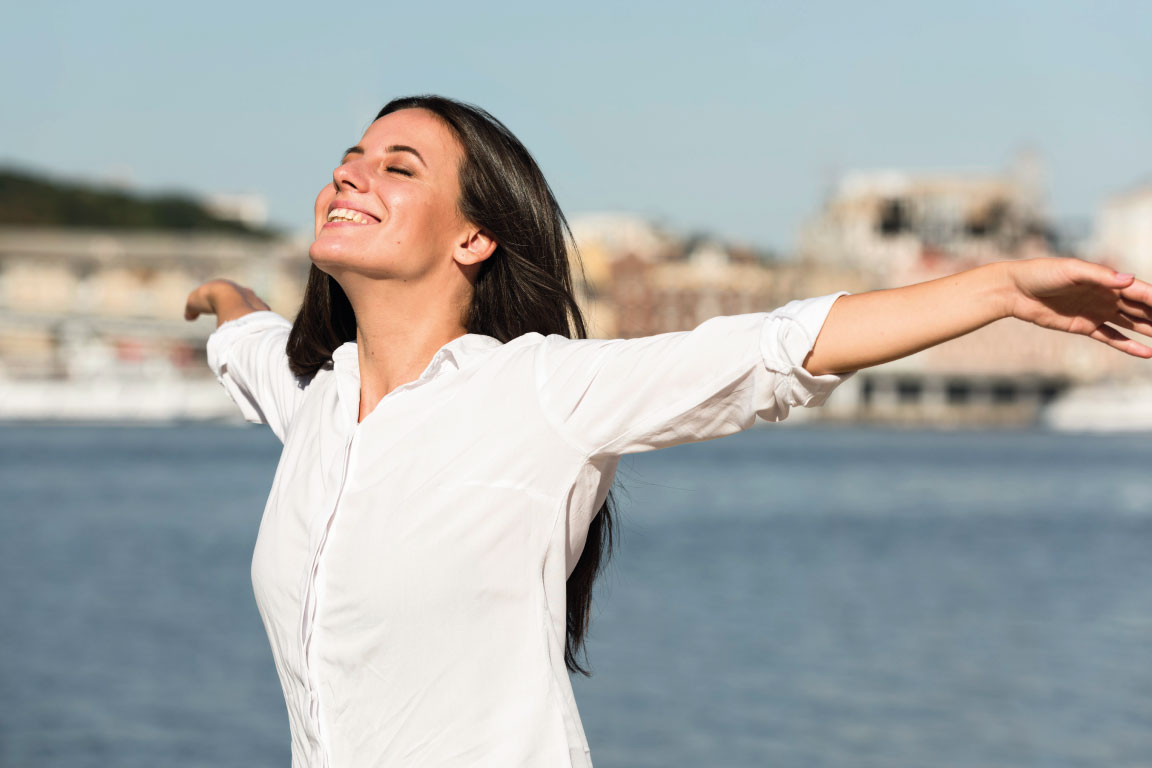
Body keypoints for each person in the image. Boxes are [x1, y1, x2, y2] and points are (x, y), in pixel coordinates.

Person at [183, 94, 1152, 768]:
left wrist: (1000, 288)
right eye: (348, 161)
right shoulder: (317, 399)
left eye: (398, 167)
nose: (352, 177)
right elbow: (251, 341)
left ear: (472, 238)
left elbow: (771, 353)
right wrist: (227, 299)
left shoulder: (540, 395)